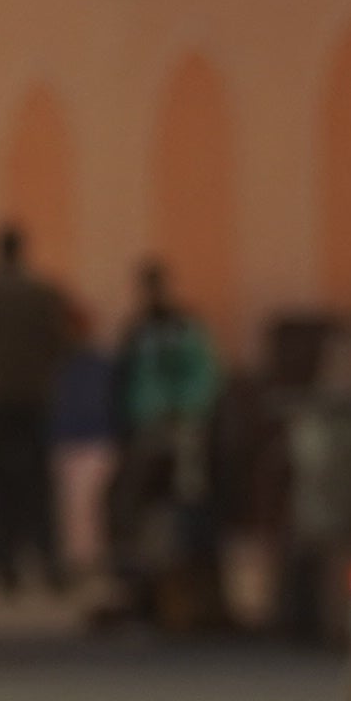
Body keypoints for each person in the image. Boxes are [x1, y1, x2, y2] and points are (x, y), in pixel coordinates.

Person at [109, 260, 227, 634]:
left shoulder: (182, 327)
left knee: (187, 498)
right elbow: (126, 380)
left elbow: (204, 375)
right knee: (135, 505)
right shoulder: (140, 329)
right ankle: (142, 584)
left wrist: (185, 410)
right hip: (149, 423)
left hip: (183, 425)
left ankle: (187, 588)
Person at [0, 222, 75, 596]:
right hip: (35, 396)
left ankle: (4, 564)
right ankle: (48, 560)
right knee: (38, 483)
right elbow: (59, 340)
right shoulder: (41, 291)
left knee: (2, 484)